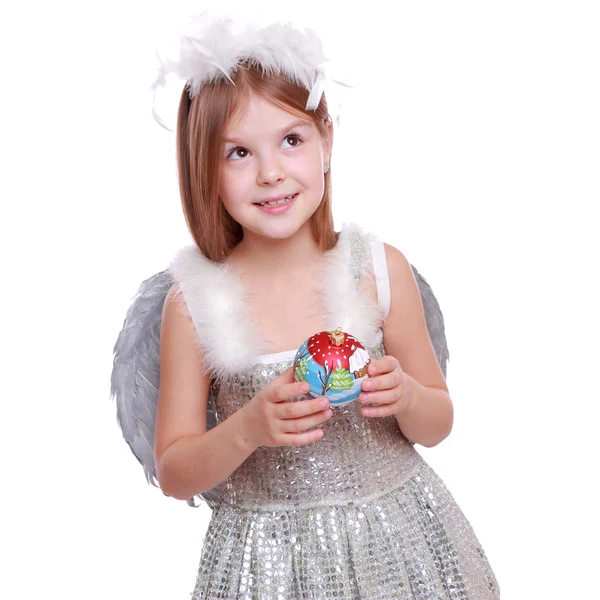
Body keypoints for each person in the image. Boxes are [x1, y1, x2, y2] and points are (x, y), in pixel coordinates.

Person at [113, 12, 500, 599]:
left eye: (290, 140)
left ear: (326, 141)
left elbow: (438, 423)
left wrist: (408, 396)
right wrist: (248, 429)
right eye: (237, 153)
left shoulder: (378, 271)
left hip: (395, 543)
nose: (270, 173)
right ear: (204, 171)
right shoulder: (194, 306)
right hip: (265, 565)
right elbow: (174, 472)